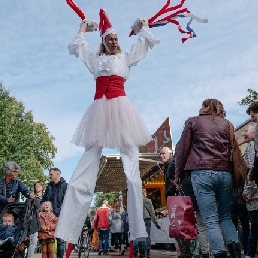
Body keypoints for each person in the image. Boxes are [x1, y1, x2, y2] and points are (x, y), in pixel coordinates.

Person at [55, 9, 160, 246]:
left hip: (122, 109)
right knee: (86, 162)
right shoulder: (95, 59)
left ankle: (136, 231)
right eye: (110, 39)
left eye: (116, 39)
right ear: (104, 41)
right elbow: (79, 46)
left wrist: (143, 25)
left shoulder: (125, 58)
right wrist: (83, 27)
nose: (114, 42)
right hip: (99, 111)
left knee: (132, 167)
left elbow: (144, 44)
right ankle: (69, 229)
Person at [175, 98, 240, 258]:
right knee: (225, 216)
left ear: (205, 107)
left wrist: (178, 174)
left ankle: (219, 254)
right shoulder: (227, 124)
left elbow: (182, 150)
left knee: (210, 219)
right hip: (225, 173)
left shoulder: (193, 122)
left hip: (202, 173)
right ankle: (236, 253)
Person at [41, 168, 67, 258]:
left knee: (60, 240)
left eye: (51, 174)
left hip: (60, 216)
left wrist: (55, 213)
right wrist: (41, 211)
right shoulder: (49, 187)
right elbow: (43, 201)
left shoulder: (65, 186)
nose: (49, 176)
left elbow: (66, 203)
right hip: (48, 217)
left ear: (57, 174)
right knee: (47, 239)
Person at [241, 125, 258, 258]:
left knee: (255, 226)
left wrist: (247, 190)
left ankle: (250, 254)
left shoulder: (252, 146)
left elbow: (251, 170)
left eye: (246, 131)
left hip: (254, 195)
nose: (243, 134)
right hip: (253, 193)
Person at [137, 189, 160, 258]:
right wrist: (155, 222)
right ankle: (148, 254)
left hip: (139, 220)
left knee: (140, 237)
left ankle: (141, 253)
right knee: (147, 236)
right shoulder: (147, 200)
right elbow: (152, 212)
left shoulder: (136, 201)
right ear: (144, 194)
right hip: (147, 219)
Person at [27, 180, 45, 258]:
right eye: (36, 186)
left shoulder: (45, 197)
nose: (37, 187)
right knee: (33, 242)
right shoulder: (31, 198)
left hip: (44, 222)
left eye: (39, 185)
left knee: (46, 242)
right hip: (34, 222)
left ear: (42, 187)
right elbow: (29, 209)